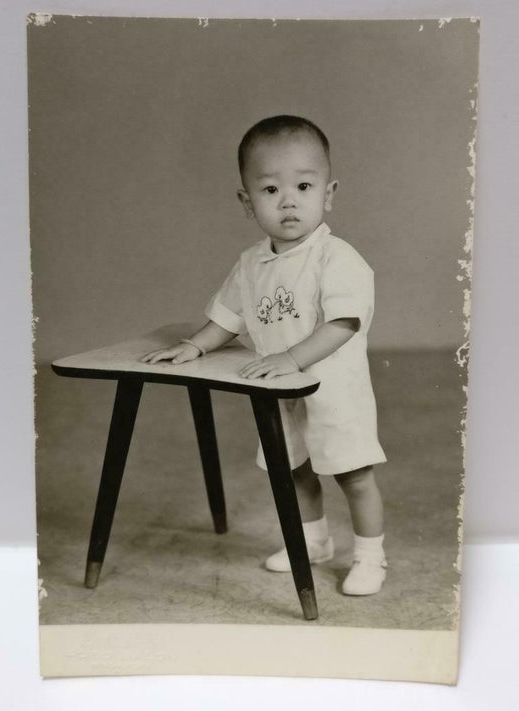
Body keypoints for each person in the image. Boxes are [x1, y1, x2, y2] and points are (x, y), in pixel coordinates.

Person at [142, 115, 387, 595]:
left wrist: (293, 358)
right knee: (293, 470)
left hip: (334, 391)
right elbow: (228, 317)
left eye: (303, 185)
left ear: (329, 193)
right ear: (247, 202)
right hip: (277, 390)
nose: (289, 200)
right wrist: (194, 344)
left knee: (353, 474)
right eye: (271, 190)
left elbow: (342, 323)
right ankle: (314, 541)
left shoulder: (337, 258)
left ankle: (371, 556)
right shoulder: (252, 263)